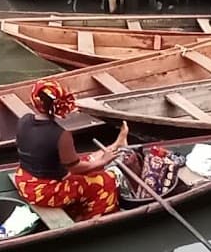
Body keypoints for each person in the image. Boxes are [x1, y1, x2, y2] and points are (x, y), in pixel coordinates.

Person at [13, 78, 128, 220]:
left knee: (89, 161)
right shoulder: (61, 135)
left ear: (35, 101)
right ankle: (92, 218)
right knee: (106, 180)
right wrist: (100, 162)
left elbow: (71, 164)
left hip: (24, 180)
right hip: (45, 191)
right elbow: (74, 169)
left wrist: (96, 162)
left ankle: (117, 144)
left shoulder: (24, 120)